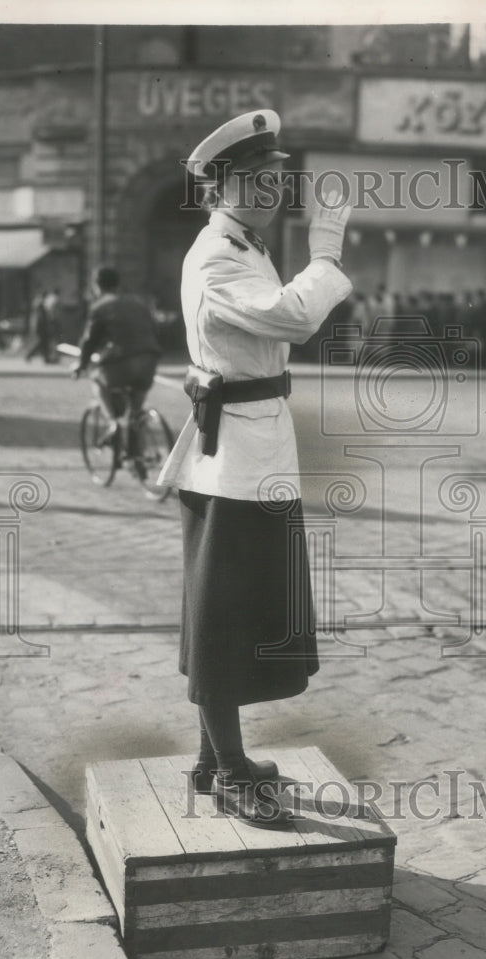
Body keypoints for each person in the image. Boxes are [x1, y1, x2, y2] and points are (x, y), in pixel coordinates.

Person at [156, 108, 352, 825]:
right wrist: (327, 255)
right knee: (223, 616)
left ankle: (216, 758)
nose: (275, 190)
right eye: (260, 180)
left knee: (240, 606)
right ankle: (231, 770)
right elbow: (292, 317)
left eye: (278, 179)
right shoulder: (217, 258)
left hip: (256, 449)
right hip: (230, 460)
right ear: (224, 184)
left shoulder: (246, 243)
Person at [72, 266, 161, 458]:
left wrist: (81, 365)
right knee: (135, 410)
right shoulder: (138, 304)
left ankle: (113, 424)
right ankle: (136, 456)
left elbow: (89, 341)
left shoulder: (100, 307)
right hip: (149, 360)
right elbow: (152, 329)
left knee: (97, 380)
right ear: (118, 284)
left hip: (122, 363)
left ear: (96, 286)